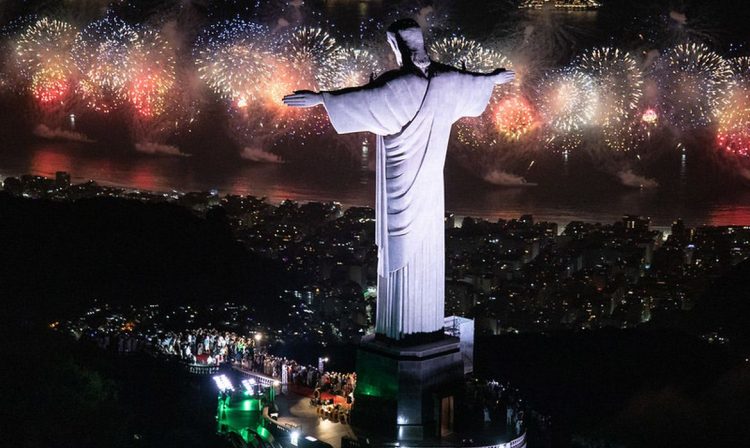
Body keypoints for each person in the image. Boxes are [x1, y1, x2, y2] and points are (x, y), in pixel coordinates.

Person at [283, 18, 514, 340]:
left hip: (400, 184)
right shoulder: (447, 79)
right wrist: (493, 78)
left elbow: (361, 99)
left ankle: (401, 334)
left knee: (399, 250)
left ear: (396, 46)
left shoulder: (399, 86)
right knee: (423, 247)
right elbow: (473, 82)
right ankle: (420, 331)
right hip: (432, 189)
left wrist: (321, 98)